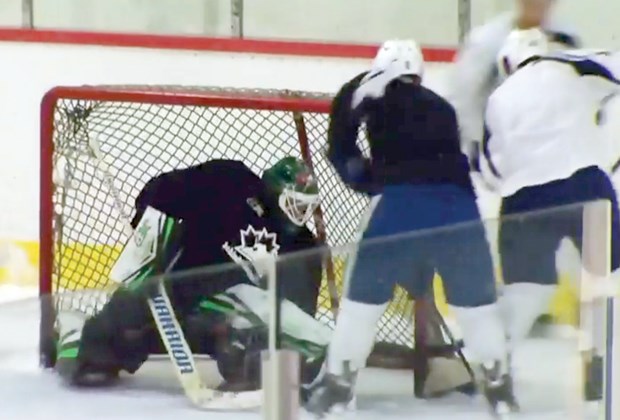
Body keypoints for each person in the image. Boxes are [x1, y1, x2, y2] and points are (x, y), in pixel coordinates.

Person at [305, 40, 515, 417]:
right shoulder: (441, 106)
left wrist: (367, 180)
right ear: (417, 72)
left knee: (361, 304)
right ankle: (500, 392)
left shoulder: (366, 86)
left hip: (399, 206)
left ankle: (337, 389)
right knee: (477, 309)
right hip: (459, 208)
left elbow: (340, 146)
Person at [53, 157, 329, 392]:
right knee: (120, 326)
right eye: (296, 205)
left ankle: (247, 368)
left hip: (222, 315)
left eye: (307, 208)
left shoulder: (301, 246)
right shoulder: (231, 181)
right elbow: (164, 190)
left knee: (283, 346)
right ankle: (77, 335)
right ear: (273, 191)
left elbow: (297, 308)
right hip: (177, 291)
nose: (302, 216)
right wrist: (150, 235)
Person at [482, 28, 620, 402]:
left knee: (527, 290)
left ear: (506, 64)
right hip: (587, 187)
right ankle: (600, 365)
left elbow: (492, 171)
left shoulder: (498, 97)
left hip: (525, 199)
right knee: (605, 280)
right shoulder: (572, 68)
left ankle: (498, 374)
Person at [449, 0, 580, 172]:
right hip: (500, 154)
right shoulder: (489, 40)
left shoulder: (566, 40)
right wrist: (476, 146)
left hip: (551, 154)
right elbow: (464, 97)